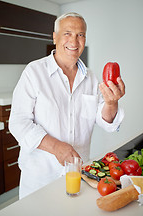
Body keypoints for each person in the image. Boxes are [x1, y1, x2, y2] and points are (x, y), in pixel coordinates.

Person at [9, 12, 125, 199]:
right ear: (54, 37)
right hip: (39, 180)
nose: (74, 40)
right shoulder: (34, 72)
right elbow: (18, 122)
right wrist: (56, 147)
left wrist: (112, 102)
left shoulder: (92, 78)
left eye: (81, 35)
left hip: (78, 177)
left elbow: (107, 121)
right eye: (67, 33)